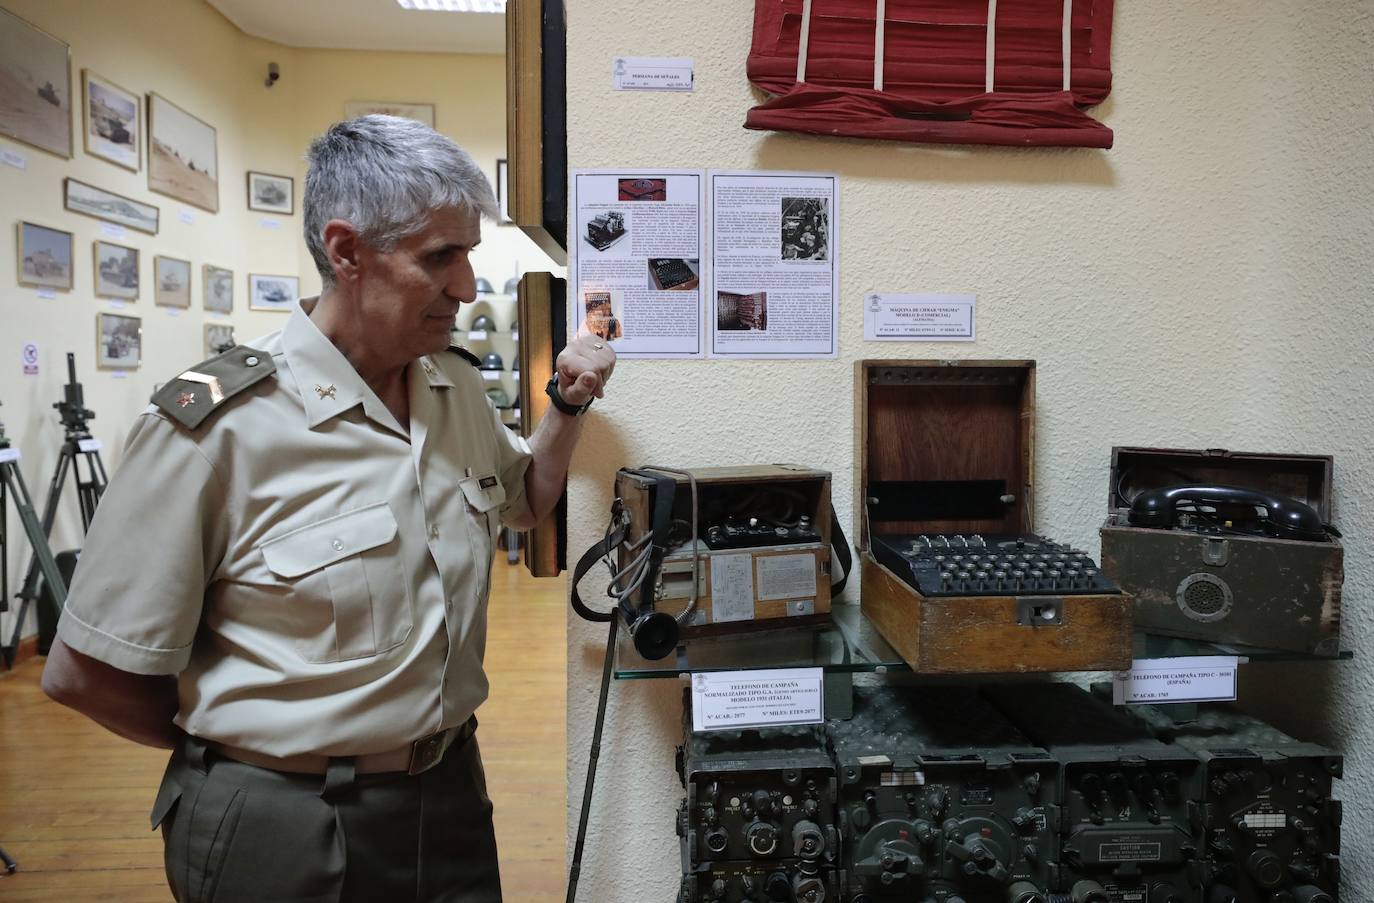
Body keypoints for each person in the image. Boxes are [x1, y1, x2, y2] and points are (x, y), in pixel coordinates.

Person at [40, 115, 614, 902]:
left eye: (470, 255)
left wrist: (569, 409)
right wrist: (246, 758)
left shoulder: (450, 390)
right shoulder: (219, 426)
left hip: (448, 800)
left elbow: (525, 502)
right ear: (346, 252)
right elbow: (84, 672)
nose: (467, 287)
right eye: (440, 257)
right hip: (285, 829)